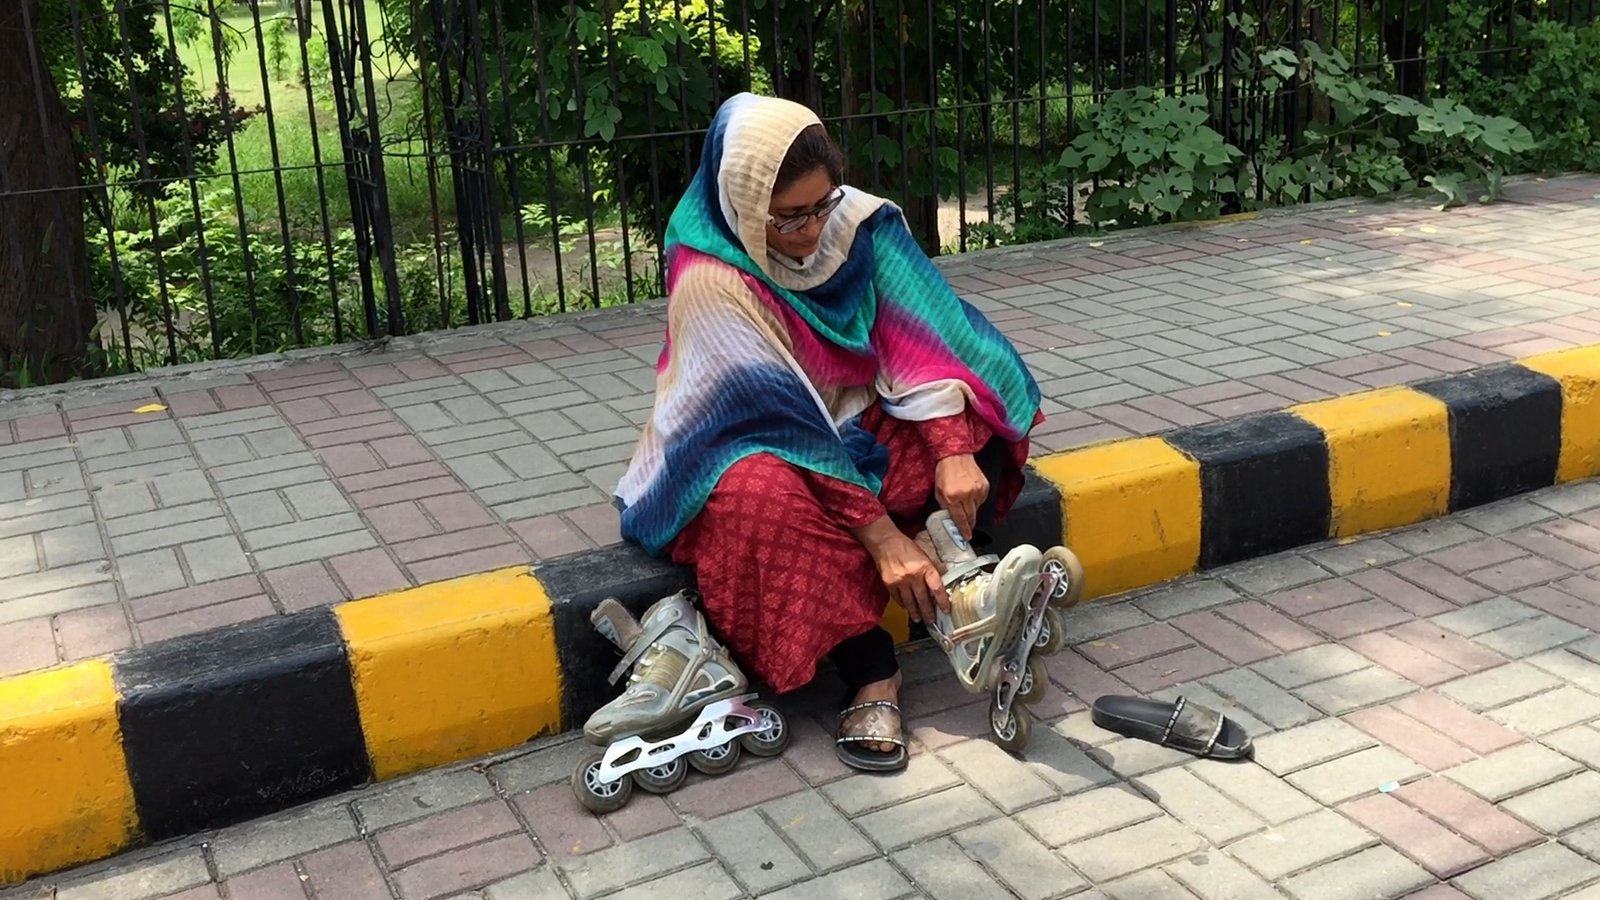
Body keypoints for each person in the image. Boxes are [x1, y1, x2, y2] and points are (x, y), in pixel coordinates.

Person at [614, 92, 1044, 773]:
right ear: (745, 206)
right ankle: (877, 668)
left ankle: (955, 584)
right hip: (742, 441)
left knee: (976, 410)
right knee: (759, 501)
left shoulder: (858, 223)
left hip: (855, 424)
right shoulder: (709, 272)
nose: (813, 231)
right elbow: (778, 419)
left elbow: (926, 340)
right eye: (788, 219)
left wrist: (952, 451)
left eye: (822, 205)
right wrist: (880, 538)